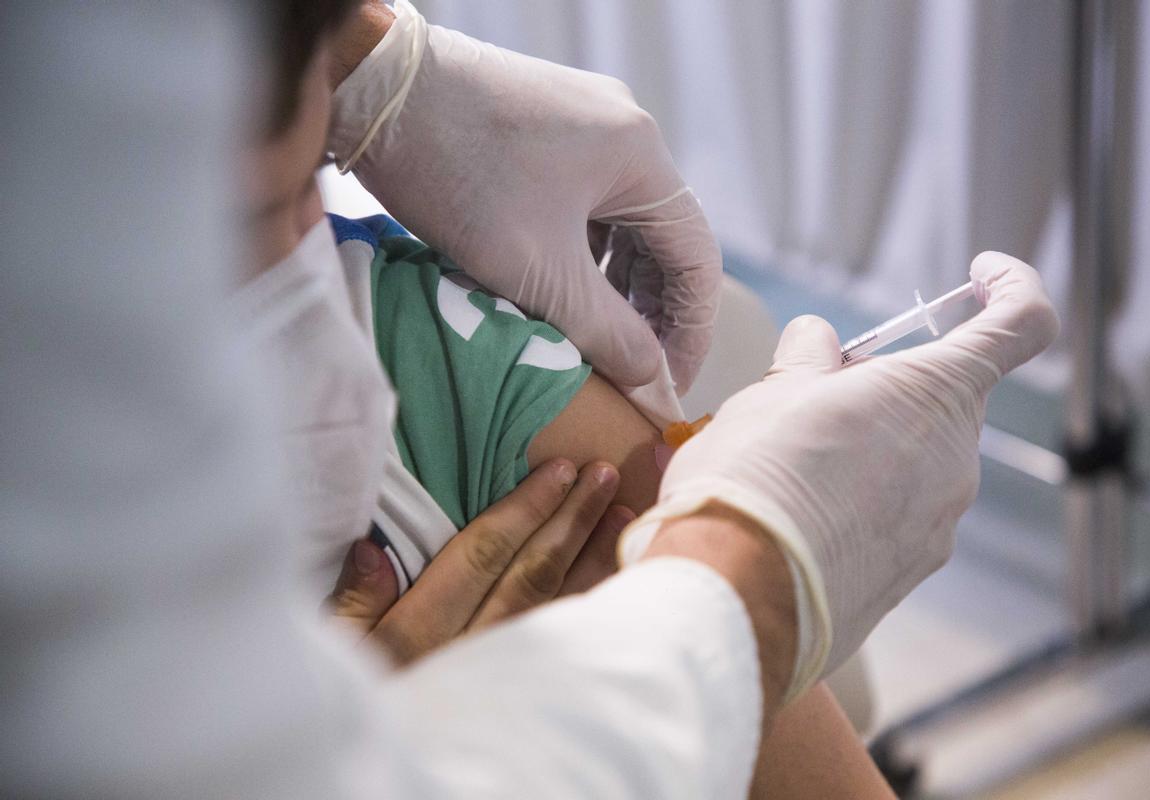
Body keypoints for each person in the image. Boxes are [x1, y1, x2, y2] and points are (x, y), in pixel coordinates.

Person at [1, 4, 1059, 800]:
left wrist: (367, 50)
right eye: (243, 223)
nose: (315, 272)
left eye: (306, 192)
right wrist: (754, 581)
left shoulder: (445, 363)